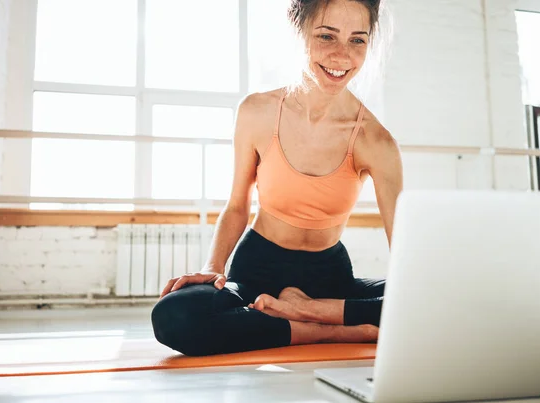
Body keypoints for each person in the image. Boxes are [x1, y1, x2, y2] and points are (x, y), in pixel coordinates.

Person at [151, 0, 403, 357]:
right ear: (298, 32)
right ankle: (326, 333)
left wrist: (414, 294)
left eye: (357, 41)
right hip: (256, 270)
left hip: (330, 281)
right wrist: (212, 269)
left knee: (440, 300)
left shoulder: (376, 141)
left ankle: (307, 312)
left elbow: (404, 247)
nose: (341, 55)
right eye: (326, 36)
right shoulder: (257, 112)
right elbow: (237, 206)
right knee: (174, 315)